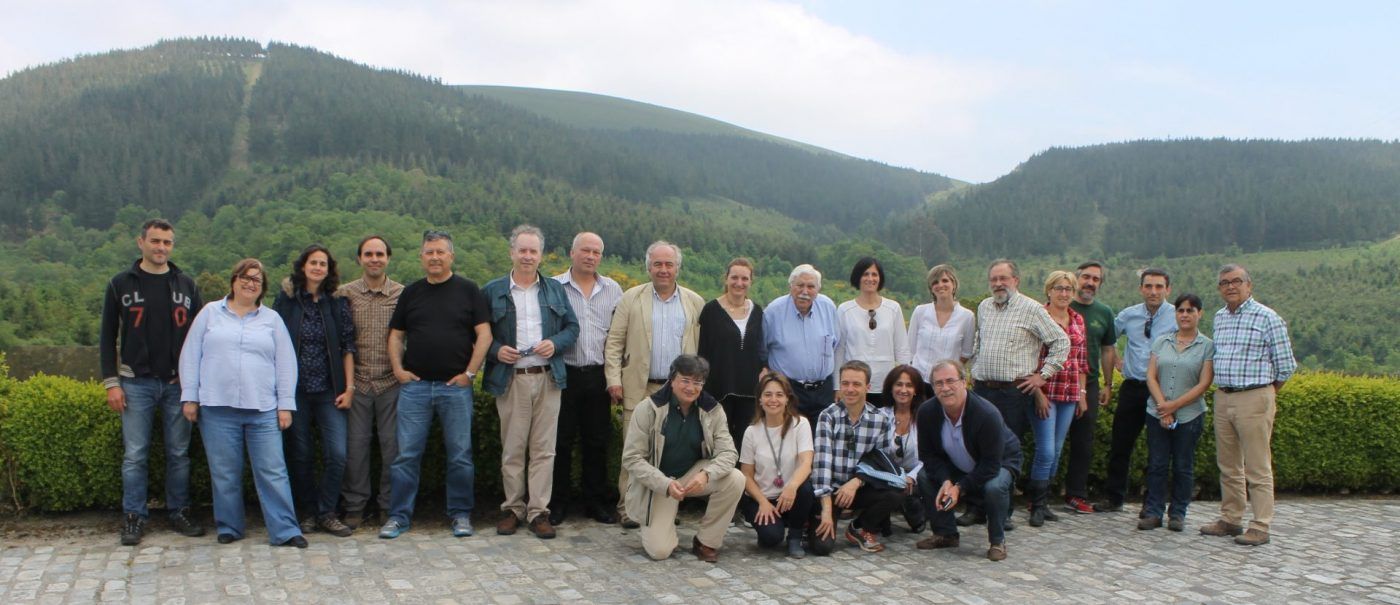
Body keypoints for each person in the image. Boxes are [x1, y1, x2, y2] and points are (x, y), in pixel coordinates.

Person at [178, 259, 304, 547]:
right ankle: (229, 526)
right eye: (245, 277)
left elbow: (286, 364)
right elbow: (191, 356)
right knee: (224, 473)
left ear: (263, 287)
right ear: (234, 280)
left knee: (273, 471)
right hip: (217, 408)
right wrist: (190, 397)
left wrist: (285, 405)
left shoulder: (272, 319)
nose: (250, 283)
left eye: (256, 280)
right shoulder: (210, 313)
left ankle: (285, 529)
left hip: (263, 408)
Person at [378, 230, 492, 540]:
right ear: (421, 257)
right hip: (415, 388)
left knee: (460, 455)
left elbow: (484, 334)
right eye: (429, 252)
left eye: (441, 252)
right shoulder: (411, 293)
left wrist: (470, 374)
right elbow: (396, 335)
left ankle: (460, 515)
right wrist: (398, 370)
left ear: (451, 256)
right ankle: (398, 517)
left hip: (455, 388)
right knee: (406, 456)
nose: (435, 257)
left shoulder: (469, 290)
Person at [99, 218, 205, 545]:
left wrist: (196, 385)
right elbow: (107, 336)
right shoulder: (120, 284)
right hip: (135, 383)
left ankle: (179, 511)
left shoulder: (187, 285)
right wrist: (111, 382)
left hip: (177, 384)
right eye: (156, 241)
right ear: (141, 242)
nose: (161, 247)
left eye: (167, 242)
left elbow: (201, 338)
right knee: (135, 454)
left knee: (179, 453)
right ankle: (134, 516)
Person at [482, 225, 580, 540]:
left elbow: (572, 328)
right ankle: (512, 509)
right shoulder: (492, 290)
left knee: (544, 450)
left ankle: (539, 512)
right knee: (512, 448)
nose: (527, 256)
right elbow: (478, 334)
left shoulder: (555, 289)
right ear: (511, 253)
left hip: (548, 378)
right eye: (522, 250)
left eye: (533, 251)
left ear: (541, 255)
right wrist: (496, 350)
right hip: (511, 379)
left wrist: (555, 343)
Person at [604, 240, 704, 528]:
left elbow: (701, 350)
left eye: (669, 264)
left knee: (672, 451)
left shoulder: (694, 302)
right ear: (648, 267)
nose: (663, 269)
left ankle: (667, 507)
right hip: (639, 387)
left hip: (679, 392)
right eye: (657, 264)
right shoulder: (631, 298)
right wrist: (613, 379)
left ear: (677, 268)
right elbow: (614, 342)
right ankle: (628, 508)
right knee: (634, 450)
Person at [1200, 264, 1296, 546]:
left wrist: (1266, 393)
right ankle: (1231, 518)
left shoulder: (1267, 317)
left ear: (1249, 285)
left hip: (1254, 395)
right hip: (1224, 396)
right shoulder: (1220, 317)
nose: (1230, 286)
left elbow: (1286, 365)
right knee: (1228, 464)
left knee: (1257, 465)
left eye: (1236, 281)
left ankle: (1260, 525)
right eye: (1225, 282)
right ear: (1219, 288)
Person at [621, 355, 745, 562]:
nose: (691, 388)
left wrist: (707, 474)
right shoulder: (648, 408)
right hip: (659, 482)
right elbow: (632, 458)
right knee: (660, 551)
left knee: (736, 478)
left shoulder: (713, 409)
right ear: (672, 380)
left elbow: (729, 453)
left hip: (692, 475)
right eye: (685, 380)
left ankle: (706, 541)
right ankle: (664, 525)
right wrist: (666, 484)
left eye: (697, 382)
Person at [272, 244, 356, 538]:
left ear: (329, 269)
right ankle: (307, 512)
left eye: (323, 264)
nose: (318, 267)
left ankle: (327, 512)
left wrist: (349, 387)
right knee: (301, 454)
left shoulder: (337, 302)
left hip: (329, 390)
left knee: (338, 453)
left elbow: (347, 346)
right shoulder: (286, 300)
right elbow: (273, 343)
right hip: (294, 391)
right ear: (303, 266)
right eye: (313, 262)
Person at [915, 360, 1022, 562]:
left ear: (965, 382)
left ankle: (997, 541)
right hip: (958, 463)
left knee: (994, 486)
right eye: (939, 383)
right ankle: (946, 534)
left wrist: (960, 488)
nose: (945, 388)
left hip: (998, 462)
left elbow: (990, 465)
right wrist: (946, 481)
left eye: (950, 381)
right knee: (924, 476)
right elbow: (928, 455)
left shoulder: (986, 414)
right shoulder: (926, 412)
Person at [550, 232, 623, 525]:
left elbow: (618, 334)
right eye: (585, 250)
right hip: (563, 374)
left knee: (597, 441)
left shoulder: (613, 289)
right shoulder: (554, 286)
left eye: (596, 252)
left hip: (598, 374)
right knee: (560, 441)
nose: (591, 256)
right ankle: (558, 503)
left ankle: (595, 502)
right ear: (572, 252)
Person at [337, 235, 403, 530]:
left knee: (393, 448)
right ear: (359, 258)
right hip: (358, 383)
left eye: (379, 254)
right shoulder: (344, 294)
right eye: (368, 254)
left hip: (391, 383)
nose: (374, 259)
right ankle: (355, 506)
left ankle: (389, 507)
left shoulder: (402, 294)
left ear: (388, 258)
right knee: (355, 449)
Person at [1099, 268, 1176, 513]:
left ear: (1167, 289)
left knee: (1158, 449)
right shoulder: (1128, 315)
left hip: (1161, 391)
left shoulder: (1177, 316)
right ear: (1141, 288)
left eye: (1159, 286)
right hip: (1132, 388)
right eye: (1148, 286)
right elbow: (1107, 339)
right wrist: (1117, 360)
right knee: (1121, 445)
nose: (1153, 291)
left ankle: (1152, 504)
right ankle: (1114, 498)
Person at [969, 259, 1069, 440]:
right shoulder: (984, 307)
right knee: (978, 443)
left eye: (1003, 278)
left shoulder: (1032, 309)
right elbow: (979, 341)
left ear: (1016, 280)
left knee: (1008, 446)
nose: (998, 283)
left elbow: (1061, 342)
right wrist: (975, 368)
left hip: (1013, 395)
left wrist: (1042, 376)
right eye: (993, 279)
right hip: (982, 391)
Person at [809, 361, 901, 555]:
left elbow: (882, 462)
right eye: (845, 383)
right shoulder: (828, 416)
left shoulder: (880, 420)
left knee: (895, 493)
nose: (850, 389)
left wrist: (856, 482)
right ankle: (814, 520)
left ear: (868, 387)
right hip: (831, 490)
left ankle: (860, 527)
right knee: (821, 547)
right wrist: (826, 510)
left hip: (859, 488)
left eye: (856, 384)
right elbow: (822, 464)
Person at [1141, 293, 1214, 532]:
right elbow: (1151, 376)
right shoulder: (1162, 342)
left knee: (1183, 466)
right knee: (1157, 464)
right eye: (1181, 310)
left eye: (1190, 310)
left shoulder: (1207, 346)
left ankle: (1178, 513)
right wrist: (1164, 406)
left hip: (1189, 415)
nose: (1185, 315)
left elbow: (1204, 383)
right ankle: (1153, 512)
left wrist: (1174, 406)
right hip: (1157, 412)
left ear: (1199, 314)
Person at [1027, 271, 1088, 527]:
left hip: (1069, 392)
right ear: (1049, 290)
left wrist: (1082, 394)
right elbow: (1028, 359)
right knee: (1046, 450)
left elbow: (1081, 360)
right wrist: (1037, 393)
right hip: (1046, 391)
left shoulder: (1078, 319)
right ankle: (1036, 505)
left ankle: (1044, 501)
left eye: (1068, 289)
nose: (1064, 293)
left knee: (1058, 449)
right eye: (1059, 288)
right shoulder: (1038, 317)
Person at [737, 373, 814, 558]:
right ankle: (771, 529)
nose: (773, 400)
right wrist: (762, 502)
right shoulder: (751, 432)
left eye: (779, 395)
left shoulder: (800, 424)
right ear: (760, 400)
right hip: (762, 497)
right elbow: (746, 474)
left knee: (805, 489)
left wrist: (792, 487)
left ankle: (795, 536)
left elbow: (806, 463)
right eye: (768, 394)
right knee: (771, 539)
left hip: (791, 495)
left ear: (787, 399)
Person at [1063, 261, 1118, 514]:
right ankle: (1038, 495)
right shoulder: (1061, 305)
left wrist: (1108, 383)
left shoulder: (1104, 312)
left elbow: (1108, 350)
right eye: (1086, 277)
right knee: (1050, 441)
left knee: (1083, 442)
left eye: (1096, 279)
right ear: (1076, 279)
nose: (1090, 283)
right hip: (1059, 382)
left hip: (1090, 383)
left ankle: (1075, 494)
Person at [698, 257, 767, 454]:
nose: (739, 283)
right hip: (719, 388)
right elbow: (702, 351)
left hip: (749, 391)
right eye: (734, 277)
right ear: (726, 279)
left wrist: (764, 368)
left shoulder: (757, 311)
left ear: (751, 281)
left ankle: (743, 476)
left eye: (745, 279)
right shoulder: (711, 310)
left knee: (746, 444)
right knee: (720, 443)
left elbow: (761, 348)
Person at [764, 264, 841, 429]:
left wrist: (837, 386)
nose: (805, 291)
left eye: (811, 287)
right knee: (790, 438)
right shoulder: (773, 312)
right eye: (800, 285)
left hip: (823, 391)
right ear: (791, 286)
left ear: (818, 289)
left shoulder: (828, 307)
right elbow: (762, 350)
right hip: (789, 391)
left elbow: (836, 344)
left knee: (822, 439)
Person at [836, 257, 911, 407]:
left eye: (874, 274)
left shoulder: (893, 308)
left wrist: (905, 383)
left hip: (885, 384)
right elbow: (839, 350)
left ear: (880, 278)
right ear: (858, 277)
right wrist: (837, 386)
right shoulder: (845, 310)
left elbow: (902, 349)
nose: (870, 278)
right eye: (865, 274)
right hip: (853, 386)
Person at [880, 364, 933, 534]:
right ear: (891, 388)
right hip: (887, 475)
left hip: (916, 475)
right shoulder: (880, 416)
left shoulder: (926, 417)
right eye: (899, 384)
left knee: (916, 524)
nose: (903, 390)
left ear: (916, 390)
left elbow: (930, 457)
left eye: (909, 385)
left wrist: (911, 477)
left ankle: (919, 510)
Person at [908, 264, 975, 384]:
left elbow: (966, 353)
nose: (940, 285)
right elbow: (910, 348)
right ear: (931, 288)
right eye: (935, 282)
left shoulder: (967, 316)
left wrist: (950, 373)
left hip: (947, 384)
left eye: (945, 281)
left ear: (954, 284)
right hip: (919, 380)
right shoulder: (920, 312)